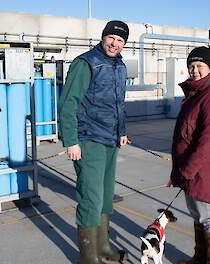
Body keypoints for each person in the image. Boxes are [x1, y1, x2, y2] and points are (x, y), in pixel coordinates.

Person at [59, 20, 129, 264]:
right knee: (90, 198)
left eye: (120, 40)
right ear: (103, 37)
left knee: (105, 196)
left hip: (111, 140)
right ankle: (89, 258)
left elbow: (119, 102)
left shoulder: (119, 66)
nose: (115, 43)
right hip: (88, 139)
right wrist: (71, 140)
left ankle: (103, 247)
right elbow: (68, 103)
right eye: (112, 38)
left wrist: (122, 130)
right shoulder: (86, 63)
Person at [169, 46, 210, 264]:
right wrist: (179, 170)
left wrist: (188, 169)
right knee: (198, 217)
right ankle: (200, 259)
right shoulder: (196, 92)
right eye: (191, 66)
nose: (194, 70)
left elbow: (209, 140)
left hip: (201, 170)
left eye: (199, 66)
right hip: (188, 168)